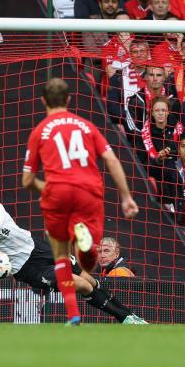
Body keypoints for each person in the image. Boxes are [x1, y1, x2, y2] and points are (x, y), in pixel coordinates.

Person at [0, 188, 146, 324]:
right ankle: (125, 318)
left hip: (38, 248)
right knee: (80, 284)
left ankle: (131, 317)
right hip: (28, 270)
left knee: (91, 280)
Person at [21, 78, 138, 325]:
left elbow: (28, 180)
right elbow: (112, 161)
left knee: (61, 256)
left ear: (43, 101)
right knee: (85, 260)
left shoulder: (40, 131)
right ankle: (82, 243)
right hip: (89, 192)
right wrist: (126, 196)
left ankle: (74, 313)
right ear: (69, 100)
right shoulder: (86, 126)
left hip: (61, 194)